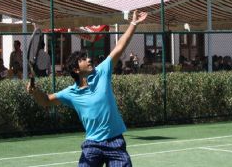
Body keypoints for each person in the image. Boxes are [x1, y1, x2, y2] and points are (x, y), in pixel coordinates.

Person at [27, 10, 147, 167]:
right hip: (92, 145)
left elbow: (119, 47)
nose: (89, 59)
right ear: (76, 70)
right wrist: (35, 92)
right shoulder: (70, 93)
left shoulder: (102, 72)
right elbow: (46, 101)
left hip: (115, 142)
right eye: (83, 59)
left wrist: (133, 24)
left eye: (87, 57)